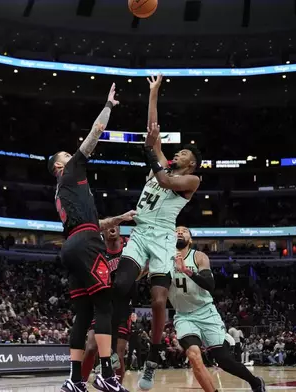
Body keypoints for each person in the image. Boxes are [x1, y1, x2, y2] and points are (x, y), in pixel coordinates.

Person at [112, 74, 202, 390]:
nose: (178, 155)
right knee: (119, 284)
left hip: (163, 237)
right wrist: (153, 93)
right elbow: (153, 133)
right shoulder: (161, 163)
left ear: (191, 165)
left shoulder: (191, 182)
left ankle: (152, 359)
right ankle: (112, 350)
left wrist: (150, 152)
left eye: (184, 156)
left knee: (159, 302)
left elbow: (164, 181)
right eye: (178, 153)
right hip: (140, 233)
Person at [47, 83, 135, 392]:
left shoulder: (62, 192)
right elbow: (95, 133)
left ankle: (74, 379)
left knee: (82, 314)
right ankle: (107, 375)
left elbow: (92, 223)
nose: (73, 155)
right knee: (104, 306)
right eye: (67, 155)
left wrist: (120, 219)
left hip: (72, 245)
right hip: (85, 244)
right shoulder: (71, 170)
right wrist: (108, 106)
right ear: (60, 165)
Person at [169, 227, 266, 392]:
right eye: (176, 230)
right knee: (193, 355)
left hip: (205, 312)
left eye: (184, 231)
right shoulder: (164, 259)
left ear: (190, 240)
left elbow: (210, 285)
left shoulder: (199, 257)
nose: (179, 232)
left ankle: (255, 382)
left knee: (224, 360)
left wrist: (186, 271)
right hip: (183, 315)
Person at [81, 224, 139, 384]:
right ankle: (79, 384)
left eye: (115, 226)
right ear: (103, 231)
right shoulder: (97, 250)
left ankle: (116, 386)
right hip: (102, 304)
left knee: (118, 354)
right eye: (108, 226)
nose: (112, 228)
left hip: (123, 307)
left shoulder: (130, 247)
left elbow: (143, 269)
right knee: (92, 347)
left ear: (120, 230)